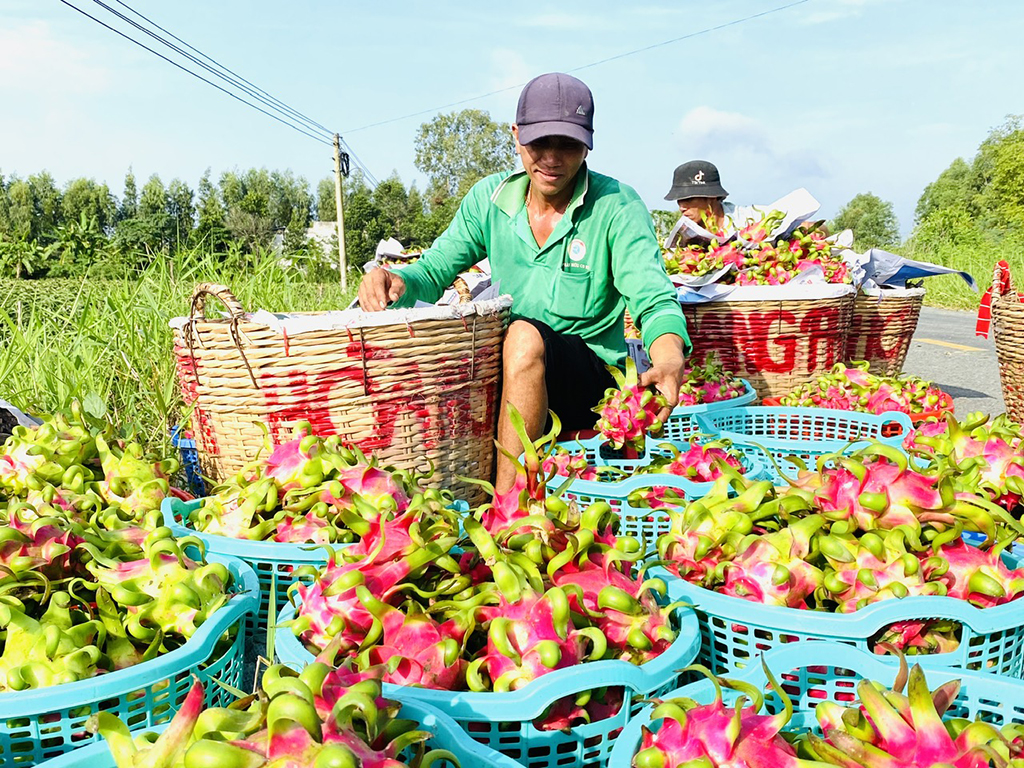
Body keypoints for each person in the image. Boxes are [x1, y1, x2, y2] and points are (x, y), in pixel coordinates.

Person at [358, 72, 690, 492]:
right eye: (539, 143)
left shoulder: (616, 207)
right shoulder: (490, 200)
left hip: (586, 381)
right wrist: (396, 280)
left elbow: (653, 298)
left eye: (567, 144)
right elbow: (434, 269)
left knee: (521, 337)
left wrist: (667, 356)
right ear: (516, 136)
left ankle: (509, 512)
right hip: (510, 369)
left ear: (588, 142)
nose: (552, 158)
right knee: (499, 347)